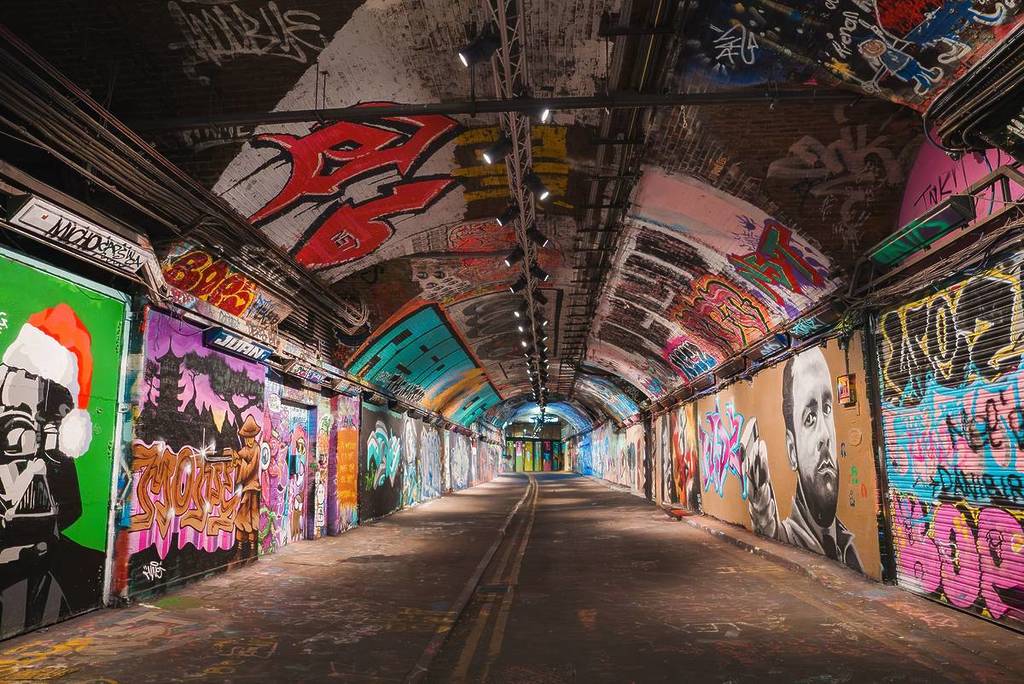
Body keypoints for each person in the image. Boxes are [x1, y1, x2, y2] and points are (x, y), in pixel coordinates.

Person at [742, 347, 863, 572]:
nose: (825, 435)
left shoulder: (850, 549)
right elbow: (767, 523)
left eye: (827, 408)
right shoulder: (784, 535)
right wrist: (761, 506)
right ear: (792, 450)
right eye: (809, 418)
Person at [227, 414, 262, 560]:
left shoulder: (257, 449)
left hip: (252, 489)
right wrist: (234, 455)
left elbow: (250, 468)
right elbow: (240, 454)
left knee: (250, 518)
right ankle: (242, 549)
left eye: (251, 437)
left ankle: (252, 549)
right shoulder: (247, 448)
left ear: (254, 436)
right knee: (242, 519)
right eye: (246, 437)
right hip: (247, 489)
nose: (248, 440)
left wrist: (240, 462)